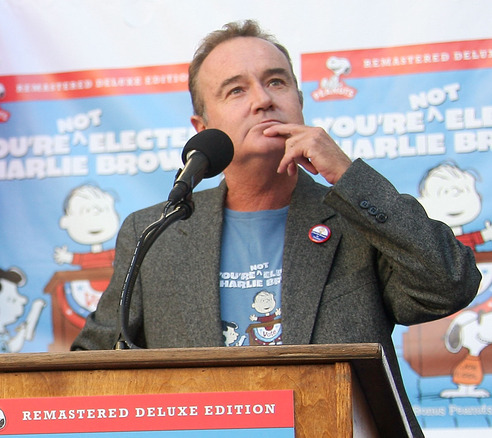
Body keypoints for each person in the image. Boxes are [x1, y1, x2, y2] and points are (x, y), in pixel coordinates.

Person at [71, 19, 481, 437]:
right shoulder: (155, 232)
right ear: (202, 128)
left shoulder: (356, 217)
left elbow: (449, 283)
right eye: (236, 90)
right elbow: (89, 368)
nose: (263, 100)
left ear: (300, 102)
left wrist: (348, 177)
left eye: (276, 82)